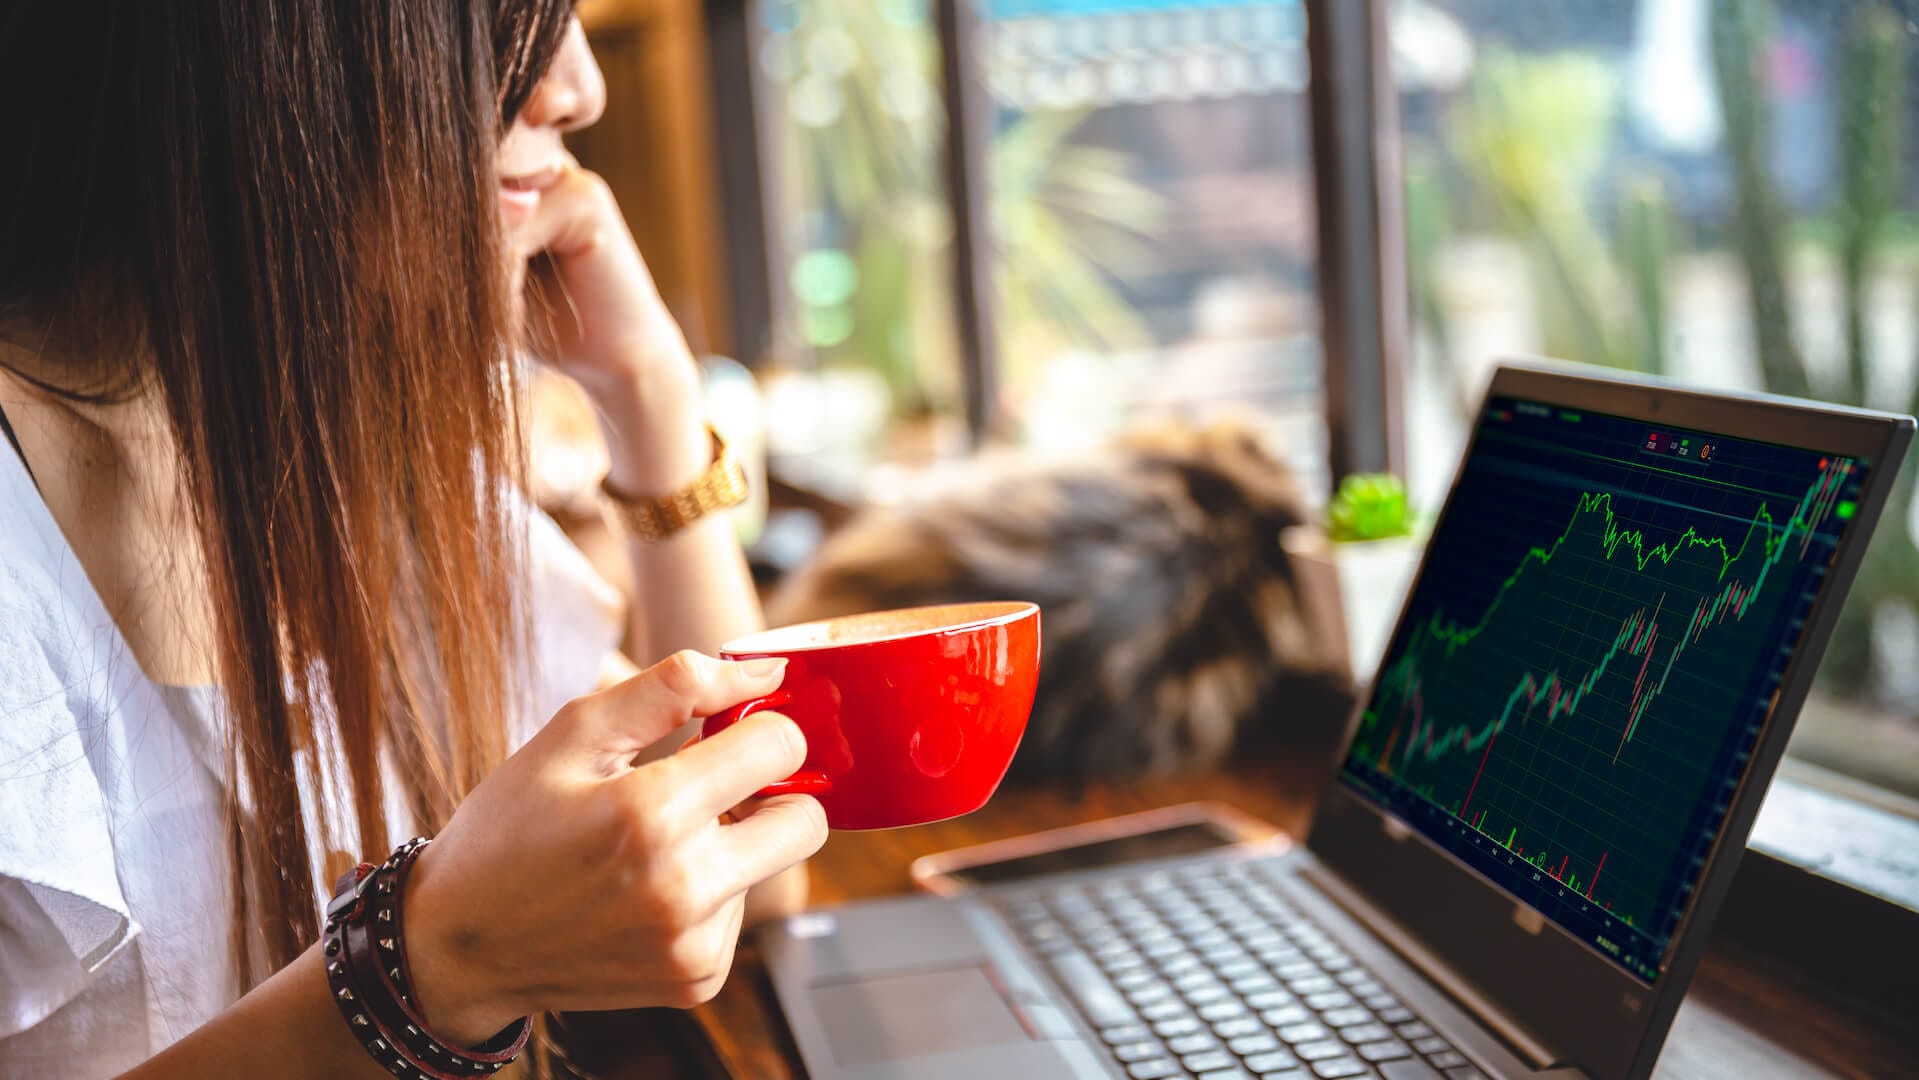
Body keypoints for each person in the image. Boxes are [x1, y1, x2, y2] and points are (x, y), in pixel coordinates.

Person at [0, 4, 827, 1077]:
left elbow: (757, 880)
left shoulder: (349, 445)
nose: (578, 87)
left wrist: (653, 401)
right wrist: (427, 970)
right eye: (511, 24)